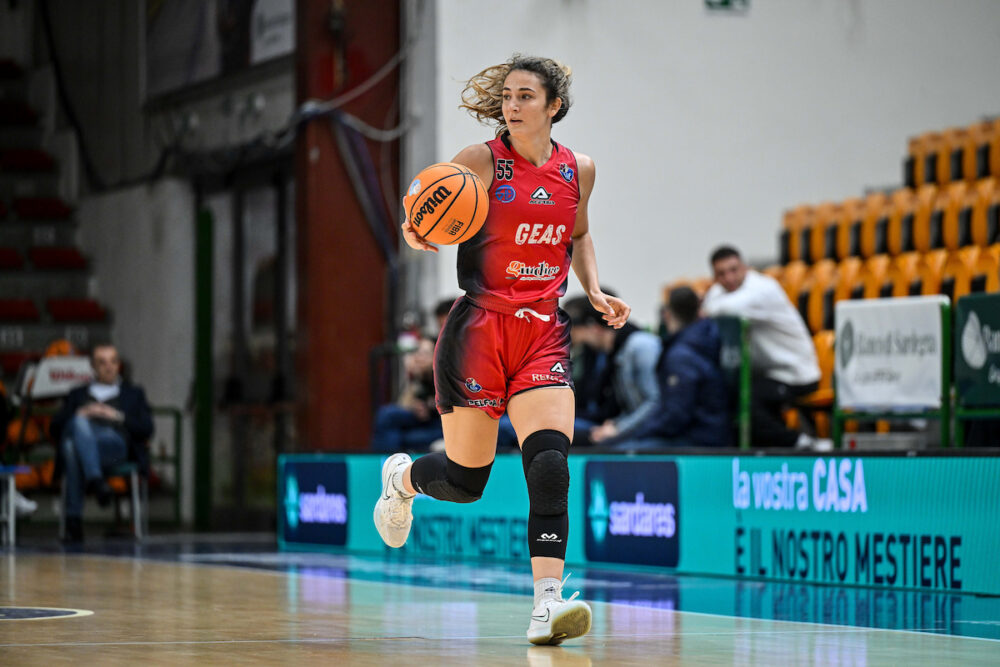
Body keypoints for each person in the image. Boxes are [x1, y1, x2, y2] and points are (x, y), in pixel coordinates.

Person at [374, 54, 629, 645]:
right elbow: (423, 216)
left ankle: (547, 606)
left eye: (525, 96)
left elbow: (579, 233)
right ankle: (405, 481)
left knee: (548, 466)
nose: (512, 106)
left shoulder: (579, 170)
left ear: (553, 106)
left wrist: (593, 290)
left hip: (543, 330)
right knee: (467, 482)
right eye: (507, 96)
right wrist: (418, 229)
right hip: (479, 332)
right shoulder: (481, 161)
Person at [701, 246, 829, 450]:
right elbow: (712, 304)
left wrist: (707, 309)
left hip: (796, 374)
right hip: (767, 374)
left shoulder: (764, 289)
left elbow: (723, 308)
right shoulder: (721, 292)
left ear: (745, 267)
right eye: (721, 274)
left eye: (734, 270)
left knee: (747, 401)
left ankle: (802, 444)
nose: (729, 278)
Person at [50, 342, 154, 542]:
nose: (109, 367)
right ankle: (97, 482)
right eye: (102, 362)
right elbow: (54, 429)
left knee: (73, 447)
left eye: (113, 361)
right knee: (73, 443)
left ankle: (74, 522)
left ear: (118, 365)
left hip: (115, 448)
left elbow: (147, 428)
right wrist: (80, 413)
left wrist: (116, 415)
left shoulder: (133, 393)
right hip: (84, 450)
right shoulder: (78, 394)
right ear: (93, 367)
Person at [613, 286, 731, 449]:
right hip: (708, 431)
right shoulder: (703, 340)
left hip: (698, 437)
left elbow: (676, 415)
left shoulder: (681, 356)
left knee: (619, 450)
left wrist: (637, 432)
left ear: (667, 314)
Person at [569, 300, 661, 446]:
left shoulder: (640, 346)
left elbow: (655, 402)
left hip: (654, 432)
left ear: (594, 328)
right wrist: (615, 424)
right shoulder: (617, 352)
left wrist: (618, 429)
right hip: (641, 428)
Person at [370, 335, 442, 453]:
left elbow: (449, 404)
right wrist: (412, 376)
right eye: (417, 353)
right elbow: (403, 404)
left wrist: (429, 406)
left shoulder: (441, 377)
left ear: (436, 357)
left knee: (386, 416)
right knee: (393, 431)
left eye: (424, 354)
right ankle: (388, 464)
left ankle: (384, 464)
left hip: (439, 426)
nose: (418, 358)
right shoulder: (419, 376)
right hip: (422, 422)